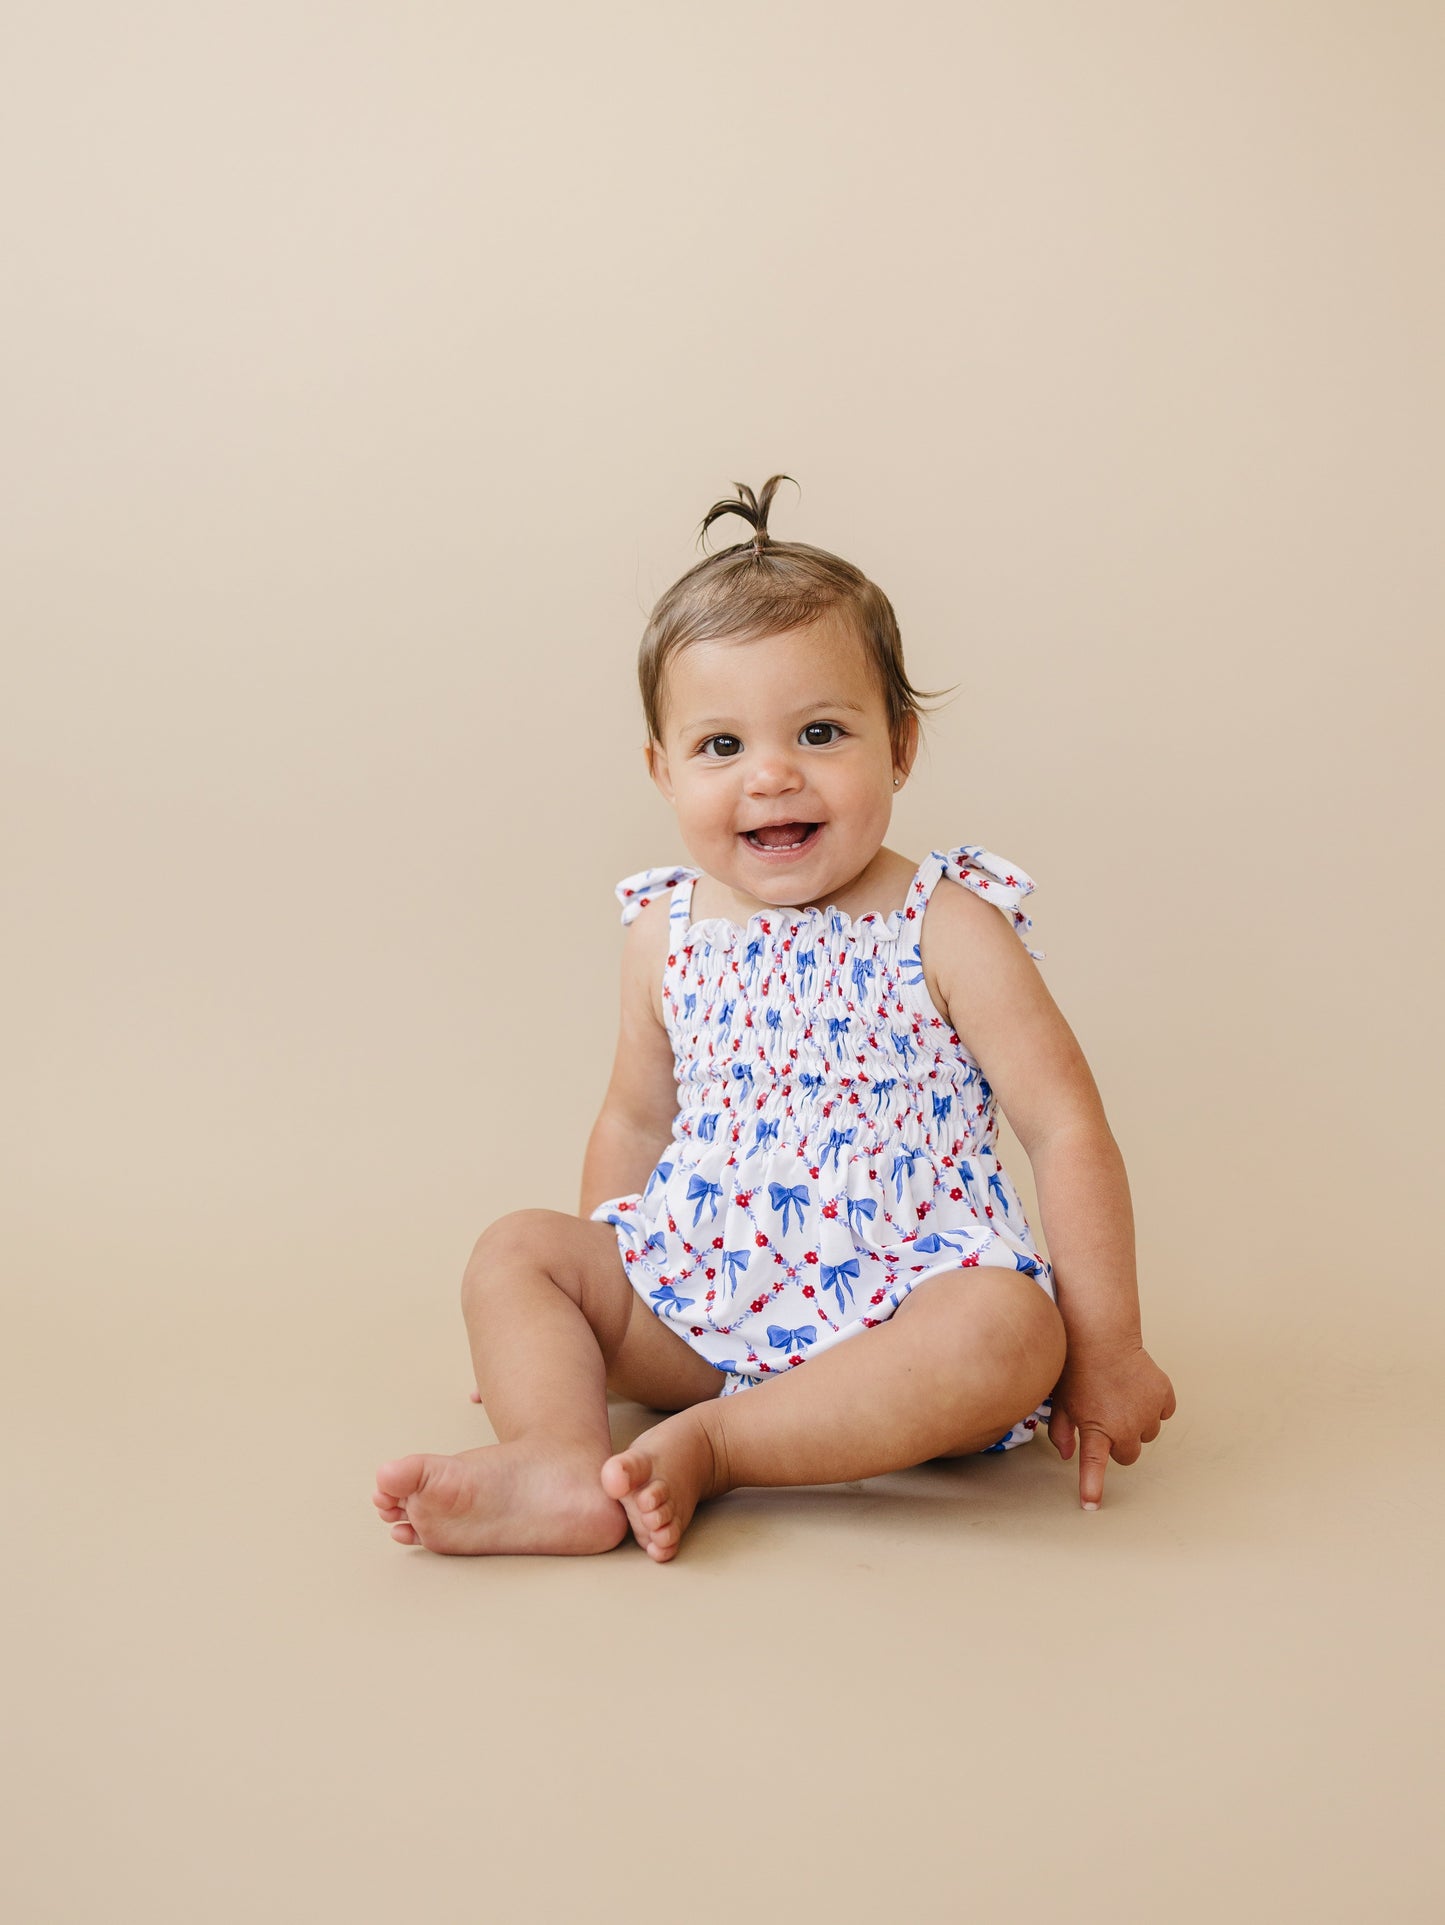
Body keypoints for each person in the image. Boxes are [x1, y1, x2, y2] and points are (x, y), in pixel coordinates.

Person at [373, 475, 1176, 1561]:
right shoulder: (666, 931)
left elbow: (1063, 1127)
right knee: (517, 1253)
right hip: (705, 1295)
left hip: (902, 1316)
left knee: (1011, 1328)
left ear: (897, 746)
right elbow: (633, 1121)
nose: (771, 775)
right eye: (720, 748)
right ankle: (560, 1456)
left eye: (818, 730)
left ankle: (715, 1448)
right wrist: (594, 1325)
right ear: (661, 770)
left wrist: (1107, 1345)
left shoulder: (942, 922)